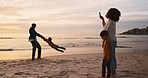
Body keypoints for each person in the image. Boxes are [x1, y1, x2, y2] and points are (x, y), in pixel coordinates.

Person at [99, 8, 121, 76]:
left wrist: (104, 41)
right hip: (112, 40)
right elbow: (105, 27)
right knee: (112, 56)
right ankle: (113, 70)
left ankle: (113, 70)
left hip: (110, 41)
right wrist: (102, 20)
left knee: (110, 56)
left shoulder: (111, 22)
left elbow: (106, 32)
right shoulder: (111, 22)